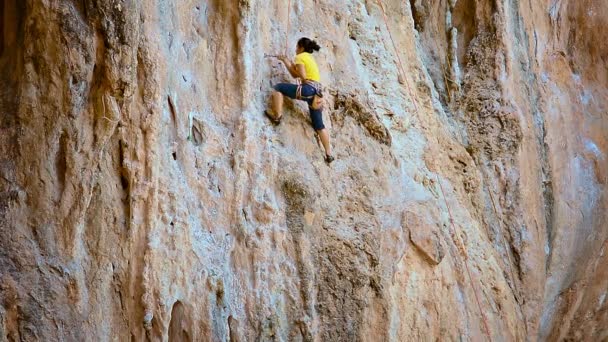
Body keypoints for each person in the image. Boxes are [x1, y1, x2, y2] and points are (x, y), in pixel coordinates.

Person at [265, 37, 334, 164]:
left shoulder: (300, 57)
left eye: (297, 47)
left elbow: (297, 74)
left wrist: (290, 65)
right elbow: (297, 72)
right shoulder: (309, 57)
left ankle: (277, 116)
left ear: (301, 47)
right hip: (317, 94)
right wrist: (287, 62)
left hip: (308, 89)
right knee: (319, 125)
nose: (296, 49)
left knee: (278, 88)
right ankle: (329, 153)